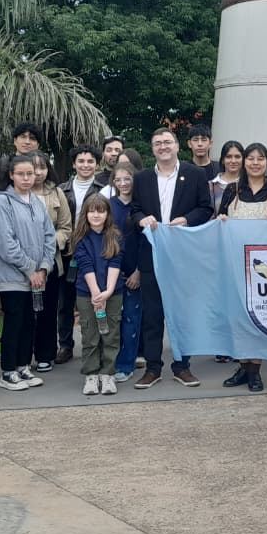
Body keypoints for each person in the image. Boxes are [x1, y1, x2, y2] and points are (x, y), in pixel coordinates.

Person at [130, 128, 213, 389]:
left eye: (167, 142)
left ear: (178, 146)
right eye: (157, 143)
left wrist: (187, 220)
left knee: (182, 314)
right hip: (151, 256)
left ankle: (182, 366)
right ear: (152, 149)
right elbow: (134, 210)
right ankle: (153, 368)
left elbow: (206, 208)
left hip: (183, 256)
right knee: (152, 314)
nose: (163, 146)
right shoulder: (142, 178)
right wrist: (141, 219)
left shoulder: (195, 174)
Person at [218, 143, 267, 392]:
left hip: (265, 269)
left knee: (258, 316)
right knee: (238, 317)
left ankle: (255, 371)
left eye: (260, 158)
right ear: (244, 163)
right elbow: (219, 223)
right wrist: (222, 220)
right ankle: (242, 366)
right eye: (250, 158)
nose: (255, 163)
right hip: (235, 264)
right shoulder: (232, 191)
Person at [0, 154, 57, 392]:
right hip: (11, 277)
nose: (27, 178)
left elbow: (50, 236)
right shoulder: (3, 202)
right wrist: (29, 268)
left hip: (36, 276)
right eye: (21, 174)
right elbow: (4, 242)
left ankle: (23, 366)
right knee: (15, 321)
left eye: (30, 173)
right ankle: (7, 371)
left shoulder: (37, 202)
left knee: (30, 321)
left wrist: (44, 267)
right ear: (11, 175)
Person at [57, 145, 107, 364]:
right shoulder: (61, 189)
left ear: (97, 164)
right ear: (74, 164)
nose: (85, 165)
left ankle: (100, 344)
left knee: (95, 297)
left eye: (90, 161)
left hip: (94, 250)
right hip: (67, 251)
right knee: (65, 301)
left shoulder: (104, 188)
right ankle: (65, 345)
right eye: (81, 161)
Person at [71, 195, 123, 396]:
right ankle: (91, 374)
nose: (96, 215)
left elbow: (115, 262)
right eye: (92, 210)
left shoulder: (115, 235)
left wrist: (107, 292)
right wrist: (96, 295)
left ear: (107, 214)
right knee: (90, 334)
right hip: (87, 293)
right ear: (85, 213)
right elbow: (85, 265)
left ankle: (108, 374)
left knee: (111, 334)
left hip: (113, 292)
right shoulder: (80, 237)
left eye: (101, 211)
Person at [30, 151, 73, 373]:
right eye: (33, 167)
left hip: (51, 260)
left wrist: (50, 242)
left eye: (42, 167)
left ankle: (45, 354)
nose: (37, 172)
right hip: (23, 263)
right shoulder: (14, 194)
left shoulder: (57, 193)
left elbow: (66, 227)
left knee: (47, 310)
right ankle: (23, 356)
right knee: (24, 311)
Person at [110, 162, 146, 382]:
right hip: (112, 273)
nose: (123, 183)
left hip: (135, 272)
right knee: (112, 320)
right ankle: (108, 362)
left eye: (127, 178)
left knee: (132, 320)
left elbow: (147, 242)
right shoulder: (107, 206)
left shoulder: (142, 207)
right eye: (118, 179)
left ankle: (126, 364)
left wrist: (139, 272)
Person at [209, 140, 244, 216]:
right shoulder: (211, 186)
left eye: (237, 157)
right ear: (222, 160)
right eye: (228, 157)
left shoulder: (248, 185)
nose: (233, 161)